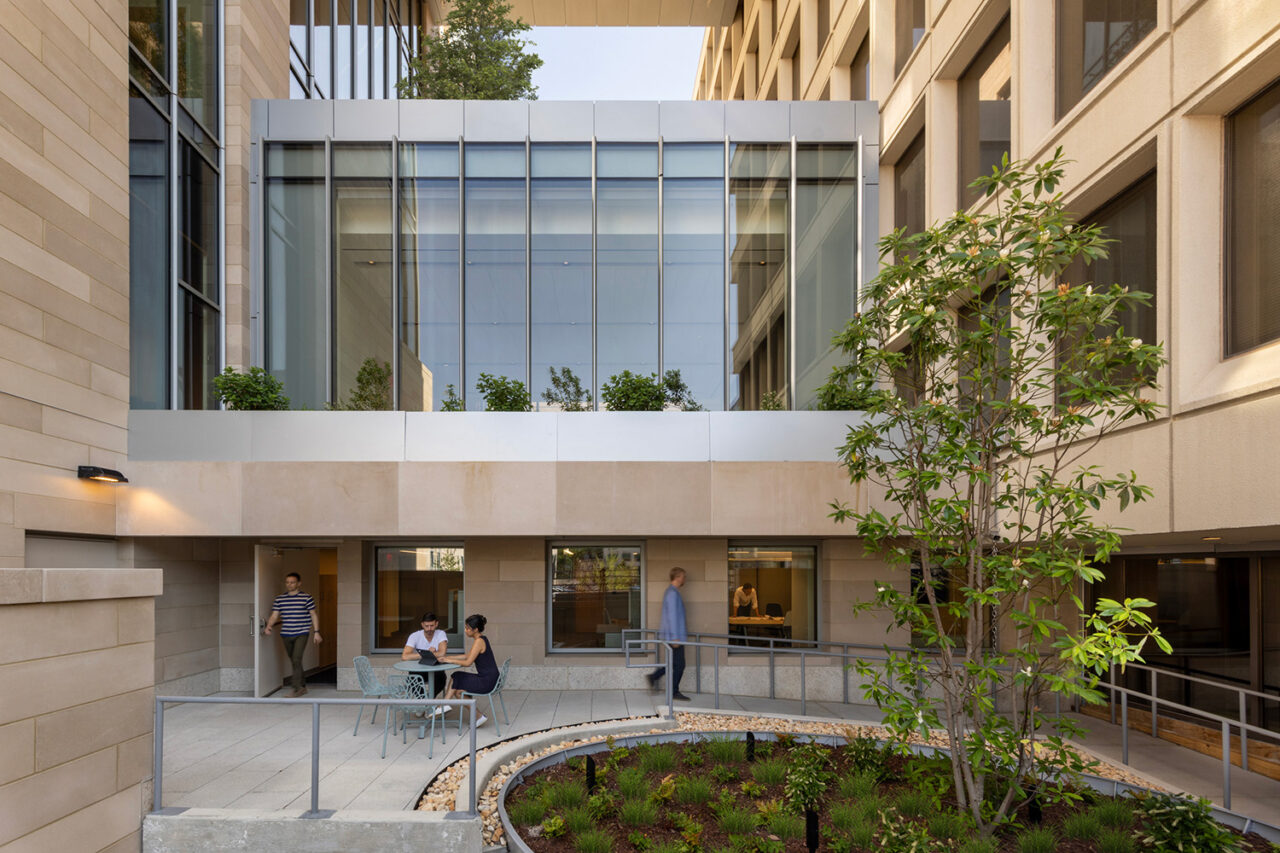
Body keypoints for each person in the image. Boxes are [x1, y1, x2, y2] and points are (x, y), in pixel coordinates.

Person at [263, 571, 321, 697]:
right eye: (287, 582)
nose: (289, 585)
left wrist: (316, 632)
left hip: (302, 632)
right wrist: (269, 626)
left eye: (292, 582)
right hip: (286, 634)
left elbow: (313, 614)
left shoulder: (306, 598)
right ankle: (303, 686)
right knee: (295, 661)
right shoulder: (280, 599)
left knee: (296, 659)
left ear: (299, 583)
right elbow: (274, 615)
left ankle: (296, 689)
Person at [441, 614, 499, 726]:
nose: (465, 630)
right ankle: (478, 716)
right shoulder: (482, 639)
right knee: (458, 692)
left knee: (456, 676)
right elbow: (468, 655)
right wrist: (447, 658)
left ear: (475, 629)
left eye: (468, 628)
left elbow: (468, 662)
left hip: (487, 681)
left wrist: (450, 661)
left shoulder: (479, 642)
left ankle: (444, 704)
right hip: (490, 678)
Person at [647, 566, 689, 700]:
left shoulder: (672, 592)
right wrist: (675, 637)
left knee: (674, 663)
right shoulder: (672, 593)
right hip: (674, 637)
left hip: (674, 636)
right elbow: (672, 616)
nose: (684, 579)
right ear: (677, 577)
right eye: (683, 576)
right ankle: (673, 691)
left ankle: (654, 677)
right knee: (680, 664)